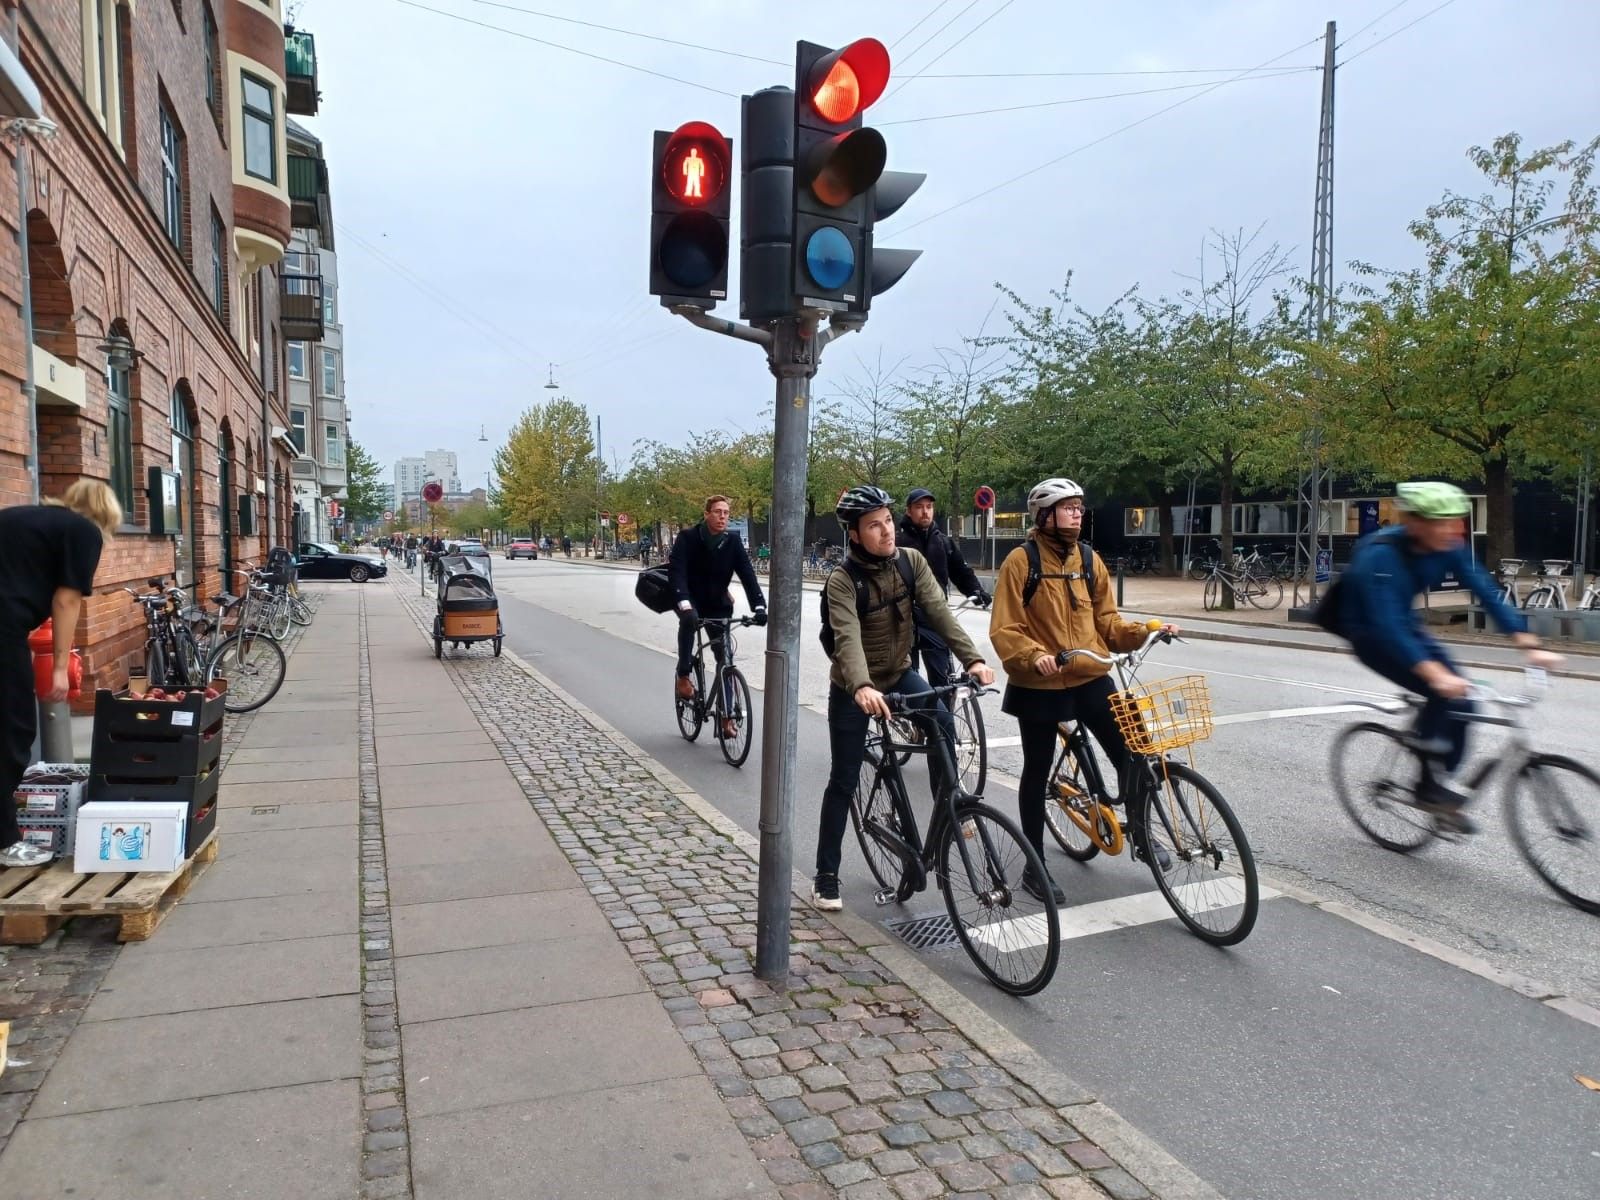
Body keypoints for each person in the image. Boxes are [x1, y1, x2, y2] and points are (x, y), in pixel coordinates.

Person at [1333, 481, 1558, 834]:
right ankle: (1426, 788)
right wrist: (1433, 673)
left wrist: (1526, 639)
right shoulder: (1380, 555)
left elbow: (1484, 588)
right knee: (1440, 690)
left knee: (1465, 704)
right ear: (1415, 522)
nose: (1455, 530)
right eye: (1444, 521)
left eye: (1457, 521)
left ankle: (1440, 786)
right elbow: (1386, 625)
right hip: (1370, 633)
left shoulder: (1446, 545)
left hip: (1405, 624)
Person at [989, 478, 1176, 902]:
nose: (1077, 513)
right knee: (1037, 770)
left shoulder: (1089, 559)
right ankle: (1034, 867)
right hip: (1042, 681)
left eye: (1079, 507)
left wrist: (1144, 631)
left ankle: (1143, 836)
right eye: (1067, 507)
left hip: (1091, 673)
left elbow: (1106, 623)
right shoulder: (1021, 562)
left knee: (1133, 753)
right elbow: (1005, 627)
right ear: (1045, 515)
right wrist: (1032, 654)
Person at [812, 486, 996, 912]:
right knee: (842, 779)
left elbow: (940, 613)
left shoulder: (911, 563)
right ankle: (826, 875)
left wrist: (973, 659)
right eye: (874, 525)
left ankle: (949, 804)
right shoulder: (842, 581)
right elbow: (847, 638)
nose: (886, 531)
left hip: (898, 674)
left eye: (888, 521)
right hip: (854, 689)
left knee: (942, 719)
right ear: (855, 534)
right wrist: (859, 685)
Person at [0, 480, 121, 866]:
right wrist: (58, 668)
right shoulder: (81, 530)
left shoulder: (21, 517)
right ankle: (5, 842)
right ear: (105, 513)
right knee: (12, 731)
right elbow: (66, 599)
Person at [668, 496, 767, 738]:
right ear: (706, 514)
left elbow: (747, 575)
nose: (723, 516)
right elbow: (677, 571)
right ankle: (683, 676)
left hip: (718, 604)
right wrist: (683, 602)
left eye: (726, 512)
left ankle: (726, 719)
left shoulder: (731, 541)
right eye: (718, 512)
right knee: (689, 622)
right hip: (690, 600)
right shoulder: (688, 538)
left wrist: (759, 606)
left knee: (725, 658)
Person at [898, 487, 991, 701]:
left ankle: (941, 729)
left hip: (934, 620)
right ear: (909, 511)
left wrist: (976, 591)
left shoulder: (943, 542)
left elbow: (961, 571)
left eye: (929, 507)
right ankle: (914, 725)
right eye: (919, 507)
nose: (925, 512)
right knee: (907, 681)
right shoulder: (897, 543)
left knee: (943, 682)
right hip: (904, 621)